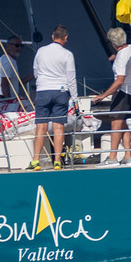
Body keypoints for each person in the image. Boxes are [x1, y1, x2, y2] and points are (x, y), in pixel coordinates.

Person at [30, 25, 77, 170]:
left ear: (52, 36)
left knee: (41, 127)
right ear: (66, 38)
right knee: (58, 128)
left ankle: (36, 160)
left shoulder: (41, 51)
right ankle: (57, 160)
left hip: (43, 90)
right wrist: (75, 99)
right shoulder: (67, 54)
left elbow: (35, 71)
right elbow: (71, 78)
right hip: (60, 91)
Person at [89, 28, 131, 164]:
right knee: (126, 123)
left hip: (124, 92)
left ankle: (112, 157)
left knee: (116, 124)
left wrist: (103, 95)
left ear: (113, 44)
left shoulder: (121, 56)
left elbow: (120, 80)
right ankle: (128, 156)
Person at [0, 37, 29, 105]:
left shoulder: (10, 60)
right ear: (8, 46)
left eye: (21, 46)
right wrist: (9, 102)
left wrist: (32, 75)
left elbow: (15, 83)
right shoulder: (7, 61)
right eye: (17, 46)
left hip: (7, 98)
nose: (19, 48)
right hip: (3, 99)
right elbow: (4, 83)